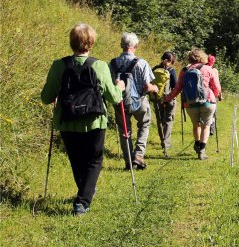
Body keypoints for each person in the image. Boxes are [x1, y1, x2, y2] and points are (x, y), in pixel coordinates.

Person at [41, 24, 124, 216]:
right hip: (94, 120)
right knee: (94, 160)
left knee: (77, 160)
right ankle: (83, 201)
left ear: (71, 42)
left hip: (67, 120)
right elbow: (114, 98)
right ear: (91, 43)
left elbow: (46, 97)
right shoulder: (99, 66)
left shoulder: (58, 65)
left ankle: (84, 194)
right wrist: (120, 86)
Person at [109, 32, 157, 170]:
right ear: (135, 46)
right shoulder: (141, 63)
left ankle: (129, 161)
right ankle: (139, 155)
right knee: (145, 123)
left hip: (120, 102)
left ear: (121, 45)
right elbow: (147, 86)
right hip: (139, 101)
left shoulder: (112, 64)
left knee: (125, 131)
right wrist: (155, 88)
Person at [165, 48, 221, 160]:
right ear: (202, 57)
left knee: (196, 125)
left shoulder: (185, 70)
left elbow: (177, 89)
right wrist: (214, 96)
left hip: (190, 103)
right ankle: (202, 150)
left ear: (190, 58)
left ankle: (197, 142)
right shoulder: (208, 69)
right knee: (206, 125)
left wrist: (167, 99)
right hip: (207, 102)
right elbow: (217, 87)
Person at [151, 51, 177, 157]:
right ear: (171, 61)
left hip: (157, 98)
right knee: (169, 120)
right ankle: (167, 143)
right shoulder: (171, 70)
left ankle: (163, 141)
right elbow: (175, 85)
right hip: (168, 98)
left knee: (160, 120)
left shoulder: (154, 69)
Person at [207, 54, 221, 136]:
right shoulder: (214, 70)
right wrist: (220, 94)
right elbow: (217, 83)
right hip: (213, 94)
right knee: (213, 111)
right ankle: (211, 128)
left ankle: (206, 127)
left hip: (205, 93)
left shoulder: (203, 69)